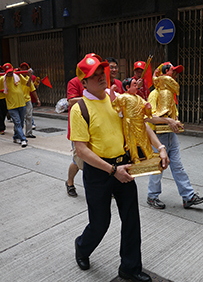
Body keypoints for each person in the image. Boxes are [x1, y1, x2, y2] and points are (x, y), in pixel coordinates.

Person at [70, 54, 169, 282]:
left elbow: (139, 125)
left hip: (124, 164)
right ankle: (82, 247)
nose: (101, 78)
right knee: (100, 223)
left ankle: (130, 268)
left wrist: (160, 147)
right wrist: (112, 170)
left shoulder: (117, 99)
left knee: (131, 218)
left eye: (101, 73)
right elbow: (82, 150)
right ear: (83, 82)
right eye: (93, 76)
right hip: (99, 171)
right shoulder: (80, 109)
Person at [146, 62, 203, 209]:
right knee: (158, 167)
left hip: (171, 136)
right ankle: (152, 196)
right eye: (171, 71)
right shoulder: (155, 93)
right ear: (162, 74)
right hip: (158, 138)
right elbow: (149, 117)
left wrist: (175, 123)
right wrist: (167, 120)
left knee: (178, 167)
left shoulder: (170, 94)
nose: (173, 75)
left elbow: (174, 116)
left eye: (174, 72)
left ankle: (188, 196)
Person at [65, 53, 101, 197]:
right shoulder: (74, 82)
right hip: (79, 130)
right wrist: (92, 96)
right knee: (79, 162)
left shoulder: (104, 82)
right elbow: (71, 101)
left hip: (96, 129)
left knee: (96, 161)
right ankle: (69, 182)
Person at [110, 78, 153, 164]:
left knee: (144, 139)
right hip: (129, 122)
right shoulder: (124, 97)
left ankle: (149, 154)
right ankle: (134, 157)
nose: (137, 87)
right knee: (131, 142)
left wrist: (147, 107)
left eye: (137, 85)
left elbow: (144, 106)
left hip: (140, 122)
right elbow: (115, 103)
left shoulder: (138, 98)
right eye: (134, 85)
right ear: (127, 87)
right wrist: (111, 92)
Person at [2, 63, 32, 147]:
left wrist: (30, 76)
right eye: (8, 72)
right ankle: (23, 139)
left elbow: (28, 84)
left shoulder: (18, 76)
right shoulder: (2, 80)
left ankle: (15, 136)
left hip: (22, 104)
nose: (10, 73)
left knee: (21, 123)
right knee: (18, 122)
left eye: (11, 71)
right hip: (12, 106)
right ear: (5, 72)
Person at [20, 62, 41, 138]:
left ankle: (28, 133)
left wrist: (37, 99)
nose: (24, 70)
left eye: (26, 68)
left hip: (27, 99)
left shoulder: (29, 79)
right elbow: (27, 84)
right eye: (23, 68)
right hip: (19, 100)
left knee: (29, 116)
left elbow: (33, 89)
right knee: (20, 118)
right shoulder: (18, 77)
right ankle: (19, 133)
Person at [0, 66, 7, 135]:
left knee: (4, 112)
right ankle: (1, 128)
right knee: (0, 114)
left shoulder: (3, 77)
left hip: (4, 98)